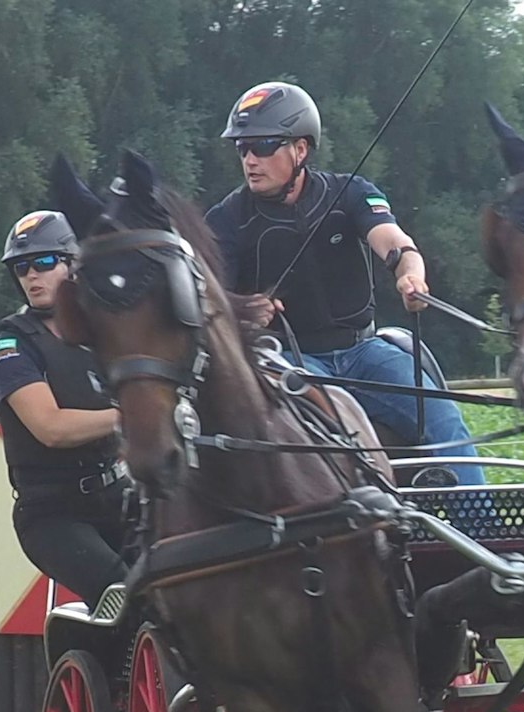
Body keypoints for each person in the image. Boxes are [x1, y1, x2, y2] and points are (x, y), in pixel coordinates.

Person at [205, 81, 485, 486]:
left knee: (443, 418)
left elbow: (392, 240)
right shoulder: (227, 218)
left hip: (363, 352)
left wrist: (410, 274)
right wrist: (244, 308)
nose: (250, 159)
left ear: (300, 149)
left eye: (263, 145)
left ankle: (481, 531)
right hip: (290, 358)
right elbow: (208, 297)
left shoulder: (350, 192)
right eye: (242, 148)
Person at [0, 210, 134, 608]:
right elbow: (50, 427)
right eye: (21, 267)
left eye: (45, 262)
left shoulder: (100, 329)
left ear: (73, 264)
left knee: (179, 575)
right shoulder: (11, 342)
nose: (32, 275)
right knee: (122, 592)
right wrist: (131, 416)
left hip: (117, 495)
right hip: (53, 513)